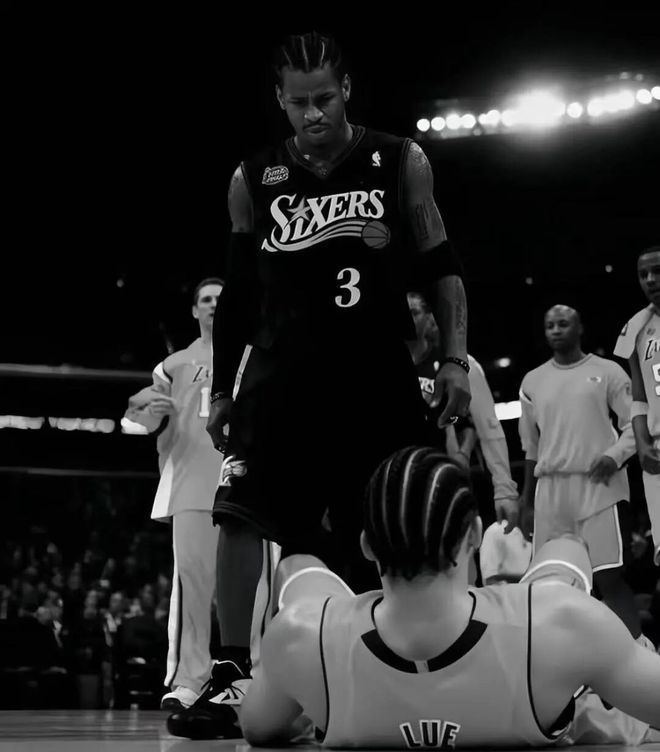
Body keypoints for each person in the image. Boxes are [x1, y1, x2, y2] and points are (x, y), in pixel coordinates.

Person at [188, 31, 470, 732]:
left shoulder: (400, 160)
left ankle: (404, 666)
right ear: (279, 102)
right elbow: (238, 299)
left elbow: (442, 268)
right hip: (281, 376)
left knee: (392, 523)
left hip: (374, 373)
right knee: (237, 511)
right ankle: (229, 674)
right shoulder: (252, 178)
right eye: (298, 103)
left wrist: (455, 358)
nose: (313, 114)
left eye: (324, 98)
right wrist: (221, 389)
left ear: (346, 90)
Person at [238, 447, 660, 747]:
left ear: (367, 546)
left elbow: (257, 726)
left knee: (298, 567)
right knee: (566, 547)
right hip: (529, 646)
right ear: (474, 534)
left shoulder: (297, 637)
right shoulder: (564, 622)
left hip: (339, 650)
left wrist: (309, 694)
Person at [125, 278, 233, 710]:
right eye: (206, 299)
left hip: (246, 485)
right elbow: (135, 419)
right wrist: (149, 411)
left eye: (220, 299)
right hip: (191, 486)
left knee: (259, 592)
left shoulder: (255, 355)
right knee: (192, 588)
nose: (213, 305)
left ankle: (256, 680)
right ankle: (190, 679)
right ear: (194, 310)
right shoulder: (172, 365)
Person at [519, 304, 641, 637]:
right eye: (550, 325)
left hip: (598, 485)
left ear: (579, 328)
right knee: (552, 584)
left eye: (563, 324)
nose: (556, 330)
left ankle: (638, 648)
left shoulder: (608, 371)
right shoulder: (532, 381)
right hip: (551, 492)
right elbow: (531, 447)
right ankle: (567, 656)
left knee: (608, 577)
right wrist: (526, 501)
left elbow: (636, 423)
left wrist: (615, 455)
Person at [407, 290, 519, 532]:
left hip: (447, 484)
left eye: (414, 312)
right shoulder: (379, 368)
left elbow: (489, 428)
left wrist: (504, 490)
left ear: (429, 318)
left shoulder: (457, 365)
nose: (408, 320)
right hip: (401, 487)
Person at [615, 245, 660, 564]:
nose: (650, 280)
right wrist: (642, 445)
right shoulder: (635, 327)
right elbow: (639, 398)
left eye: (657, 271)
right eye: (643, 274)